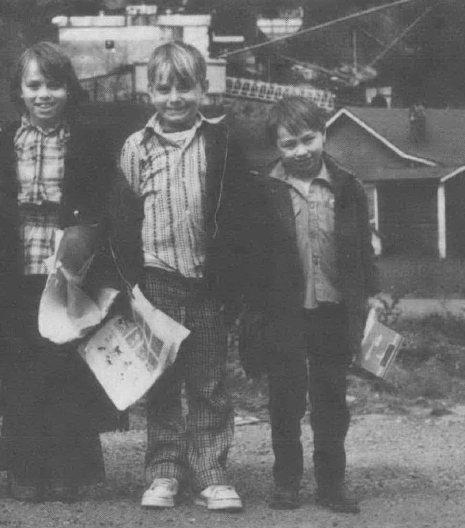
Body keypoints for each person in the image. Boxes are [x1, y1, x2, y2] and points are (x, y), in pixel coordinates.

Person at [0, 41, 141, 503]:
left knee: (67, 370)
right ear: (20, 91)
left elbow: (107, 210)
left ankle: (71, 468)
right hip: (15, 274)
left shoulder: (88, 144)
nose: (45, 94)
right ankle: (24, 468)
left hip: (69, 276)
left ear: (69, 89)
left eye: (55, 85)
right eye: (34, 85)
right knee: (23, 370)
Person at [119, 41, 249, 512]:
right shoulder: (137, 148)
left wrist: (232, 279)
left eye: (185, 87)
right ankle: (164, 471)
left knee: (210, 384)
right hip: (156, 284)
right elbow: (124, 217)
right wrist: (130, 285)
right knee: (161, 385)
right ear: (149, 91)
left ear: (203, 88)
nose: (175, 98)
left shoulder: (221, 142)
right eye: (163, 88)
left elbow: (236, 215)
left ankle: (211, 471)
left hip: (206, 284)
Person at [240, 96, 379, 513]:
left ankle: (331, 484)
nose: (301, 151)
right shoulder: (264, 188)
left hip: (334, 307)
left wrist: (368, 296)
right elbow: (251, 254)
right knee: (285, 397)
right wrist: (253, 309)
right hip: (283, 310)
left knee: (330, 398)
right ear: (276, 148)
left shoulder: (347, 185)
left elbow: (362, 249)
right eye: (289, 144)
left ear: (323, 133)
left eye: (308, 139)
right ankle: (286, 482)